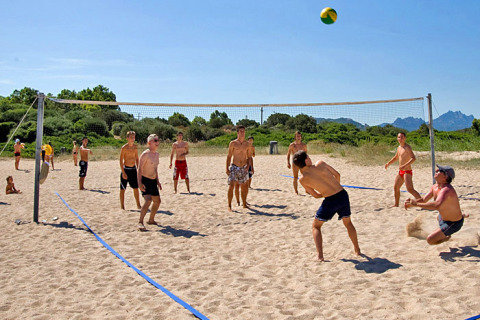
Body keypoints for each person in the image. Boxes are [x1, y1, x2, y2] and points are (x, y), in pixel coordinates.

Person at [293, 150, 361, 261]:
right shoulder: (320, 163)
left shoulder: (303, 180)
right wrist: (335, 187)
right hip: (342, 195)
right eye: (308, 157)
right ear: (306, 160)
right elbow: (337, 174)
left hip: (330, 200)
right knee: (348, 223)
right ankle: (357, 250)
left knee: (316, 226)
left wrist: (324, 193)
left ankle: (320, 256)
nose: (310, 158)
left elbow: (315, 195)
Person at [405, 165, 468, 245]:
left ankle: (446, 237)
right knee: (438, 217)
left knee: (430, 240)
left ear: (445, 177)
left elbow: (437, 205)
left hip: (453, 223)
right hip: (443, 218)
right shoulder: (435, 187)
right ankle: (461, 215)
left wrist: (416, 204)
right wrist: (412, 202)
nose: (437, 170)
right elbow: (424, 200)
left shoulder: (446, 190)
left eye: (440, 171)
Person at [385, 132, 421, 207]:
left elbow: (413, 158)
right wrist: (388, 163)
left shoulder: (407, 147)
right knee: (396, 187)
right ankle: (396, 204)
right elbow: (396, 157)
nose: (400, 139)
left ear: (405, 138)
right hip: (401, 171)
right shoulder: (399, 147)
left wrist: (404, 165)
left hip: (407, 171)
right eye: (399, 137)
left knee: (410, 189)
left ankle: (422, 203)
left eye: (401, 137)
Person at [137, 134, 162, 231]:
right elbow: (139, 170)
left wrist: (158, 181)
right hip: (145, 180)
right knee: (148, 201)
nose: (157, 142)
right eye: (155, 140)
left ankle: (151, 219)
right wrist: (139, 183)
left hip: (153, 181)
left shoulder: (157, 154)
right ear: (149, 143)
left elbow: (155, 169)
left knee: (157, 201)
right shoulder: (145, 154)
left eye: (158, 140)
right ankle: (140, 222)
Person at [226, 125, 250, 211]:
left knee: (244, 186)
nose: (242, 133)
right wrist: (227, 168)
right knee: (231, 185)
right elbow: (229, 156)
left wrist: (248, 166)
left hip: (243, 167)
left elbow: (249, 157)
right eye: (241, 131)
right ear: (237, 133)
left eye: (243, 131)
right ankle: (229, 205)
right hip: (235, 167)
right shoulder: (233, 143)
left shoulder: (247, 144)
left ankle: (244, 204)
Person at [119, 131, 141, 210]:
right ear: (127, 138)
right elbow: (121, 160)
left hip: (133, 169)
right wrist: (123, 172)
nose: (133, 139)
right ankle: (122, 206)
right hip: (126, 169)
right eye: (131, 137)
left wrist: (139, 169)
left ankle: (138, 205)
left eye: (134, 137)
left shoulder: (135, 147)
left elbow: (137, 159)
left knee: (135, 188)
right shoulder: (124, 147)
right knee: (122, 188)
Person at [234, 135, 255, 205]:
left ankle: (244, 201)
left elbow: (251, 157)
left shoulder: (252, 147)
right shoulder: (244, 145)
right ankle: (238, 201)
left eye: (251, 140)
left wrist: (252, 166)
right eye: (249, 140)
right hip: (242, 165)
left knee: (246, 183)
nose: (250, 141)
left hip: (248, 165)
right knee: (238, 184)